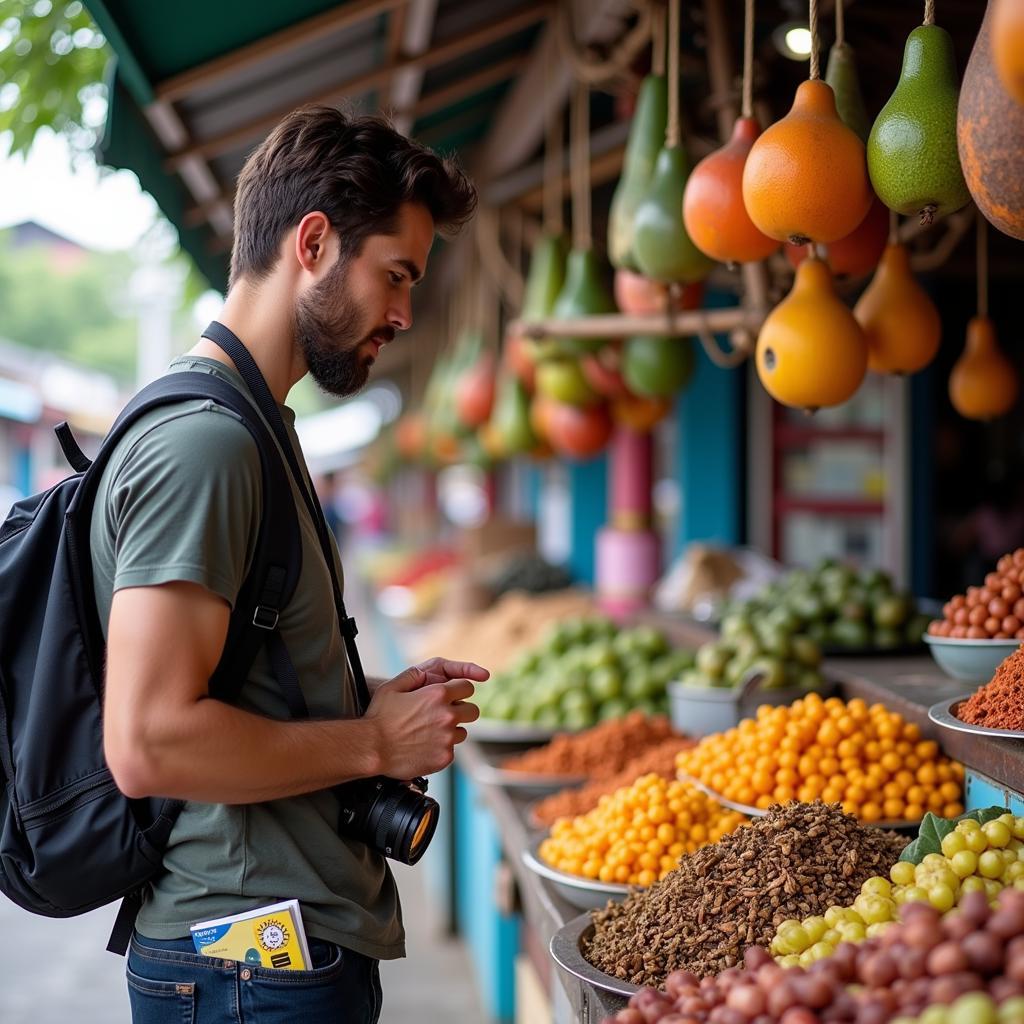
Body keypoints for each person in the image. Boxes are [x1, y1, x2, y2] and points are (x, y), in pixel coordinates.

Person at [92, 105, 482, 1024]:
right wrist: (375, 745)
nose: (403, 312)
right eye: (395, 274)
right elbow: (145, 743)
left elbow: (234, 683)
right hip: (243, 966)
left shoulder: (255, 429)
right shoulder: (208, 446)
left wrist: (363, 697)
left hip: (269, 958)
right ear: (313, 242)